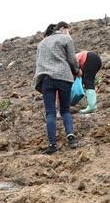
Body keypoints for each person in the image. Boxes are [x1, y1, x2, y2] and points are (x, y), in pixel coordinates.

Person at [33, 21, 80, 154]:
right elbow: (72, 59)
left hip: (46, 79)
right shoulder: (66, 39)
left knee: (50, 113)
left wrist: (38, 81)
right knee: (65, 109)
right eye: (68, 29)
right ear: (63, 28)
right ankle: (71, 137)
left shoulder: (42, 43)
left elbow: (38, 63)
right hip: (63, 77)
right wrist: (77, 71)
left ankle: (52, 145)